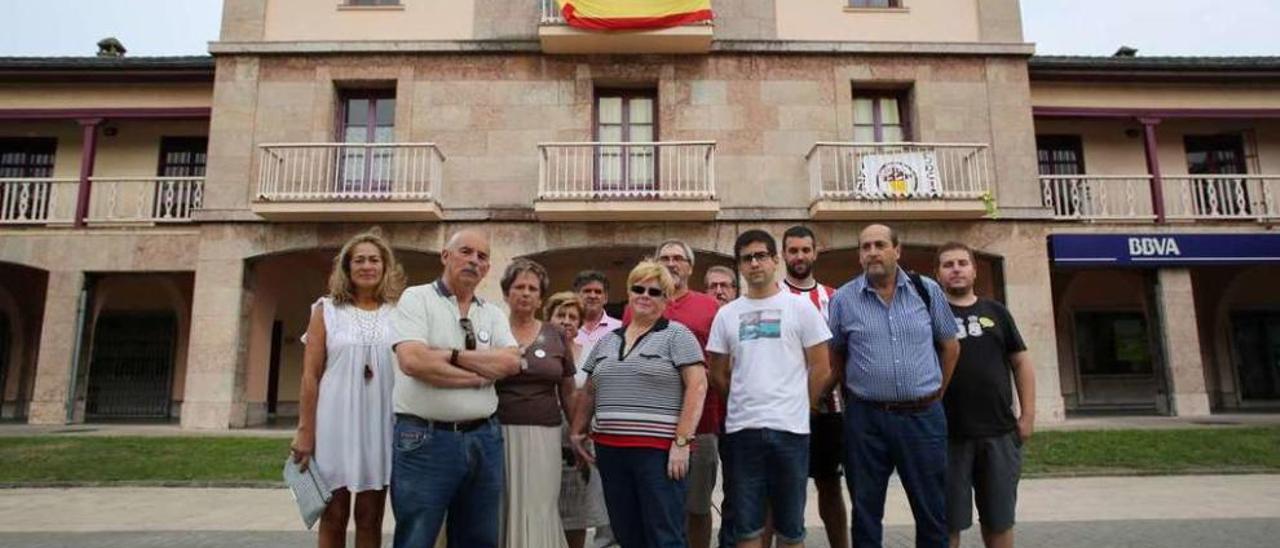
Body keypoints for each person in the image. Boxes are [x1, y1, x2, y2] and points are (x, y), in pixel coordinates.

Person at [826, 224, 960, 548]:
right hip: (867, 420)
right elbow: (836, 355)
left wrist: (935, 391)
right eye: (865, 246)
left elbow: (950, 346)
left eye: (880, 245)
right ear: (859, 255)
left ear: (897, 251)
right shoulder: (843, 299)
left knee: (931, 509)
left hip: (923, 418)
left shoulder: (926, 290)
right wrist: (856, 392)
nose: (872, 252)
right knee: (866, 511)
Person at [389, 229, 523, 548]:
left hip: (484, 439)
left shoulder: (491, 312)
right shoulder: (416, 298)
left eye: (482, 257)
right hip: (425, 440)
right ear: (445, 256)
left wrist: (448, 355)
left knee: (479, 538)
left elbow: (511, 363)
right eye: (466, 252)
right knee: (417, 537)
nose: (474, 261)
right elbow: (413, 361)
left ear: (488, 268)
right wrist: (479, 374)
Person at [570, 260, 709, 548]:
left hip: (658, 455)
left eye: (655, 291)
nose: (645, 295)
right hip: (611, 453)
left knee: (664, 535)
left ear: (667, 299)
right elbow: (591, 389)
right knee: (626, 533)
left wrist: (682, 443)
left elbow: (697, 386)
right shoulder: (607, 340)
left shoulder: (678, 335)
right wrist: (577, 430)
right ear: (629, 293)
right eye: (638, 288)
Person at [708, 229, 832, 548]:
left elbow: (821, 366)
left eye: (761, 255)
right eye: (747, 258)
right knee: (747, 530)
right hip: (742, 432)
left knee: (791, 530)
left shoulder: (801, 308)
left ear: (775, 260)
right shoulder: (726, 314)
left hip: (790, 430)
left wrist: (802, 405)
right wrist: (742, 399)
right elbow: (718, 373)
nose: (754, 263)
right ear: (740, 266)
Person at [292, 229, 405, 548]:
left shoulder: (399, 312)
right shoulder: (325, 310)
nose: (366, 266)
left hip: (380, 422)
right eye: (359, 260)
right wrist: (305, 430)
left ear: (385, 267)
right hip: (334, 424)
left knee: (370, 517)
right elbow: (310, 375)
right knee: (333, 515)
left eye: (374, 260)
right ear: (346, 268)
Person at [936, 242, 1036, 548]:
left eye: (962, 263)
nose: (955, 269)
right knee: (946, 524)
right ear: (938, 274)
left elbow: (1021, 363)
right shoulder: (930, 314)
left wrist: (1027, 417)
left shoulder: (996, 312)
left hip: (999, 433)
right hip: (948, 436)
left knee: (999, 521)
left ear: (974, 270)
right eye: (948, 264)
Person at [625, 240, 723, 548]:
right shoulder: (636, 306)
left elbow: (721, 361)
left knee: (696, 506)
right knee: (659, 507)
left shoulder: (709, 306)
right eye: (664, 257)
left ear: (690, 268)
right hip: (649, 423)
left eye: (678, 258)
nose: (671, 263)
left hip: (701, 424)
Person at [497, 259, 575, 548]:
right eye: (519, 287)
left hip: (546, 433)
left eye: (532, 288)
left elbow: (568, 388)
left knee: (540, 503)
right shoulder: (492, 328)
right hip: (498, 432)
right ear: (506, 294)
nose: (526, 293)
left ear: (541, 297)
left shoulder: (556, 335)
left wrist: (577, 432)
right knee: (503, 501)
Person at [780, 225, 848, 548]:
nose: (799, 256)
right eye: (793, 251)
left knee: (829, 485)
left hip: (828, 409)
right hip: (782, 410)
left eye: (805, 250)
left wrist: (818, 394)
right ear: (783, 255)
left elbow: (840, 353)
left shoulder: (834, 298)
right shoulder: (772, 296)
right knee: (780, 488)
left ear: (815, 253)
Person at [545, 291, 611, 548]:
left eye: (573, 316)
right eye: (560, 315)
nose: (567, 321)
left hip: (580, 444)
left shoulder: (591, 354)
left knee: (577, 518)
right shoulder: (535, 352)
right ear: (548, 317)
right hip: (544, 440)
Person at [574, 270, 622, 358]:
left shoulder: (620, 329)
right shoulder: (568, 328)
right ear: (576, 295)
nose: (593, 296)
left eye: (598, 292)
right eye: (587, 291)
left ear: (606, 298)